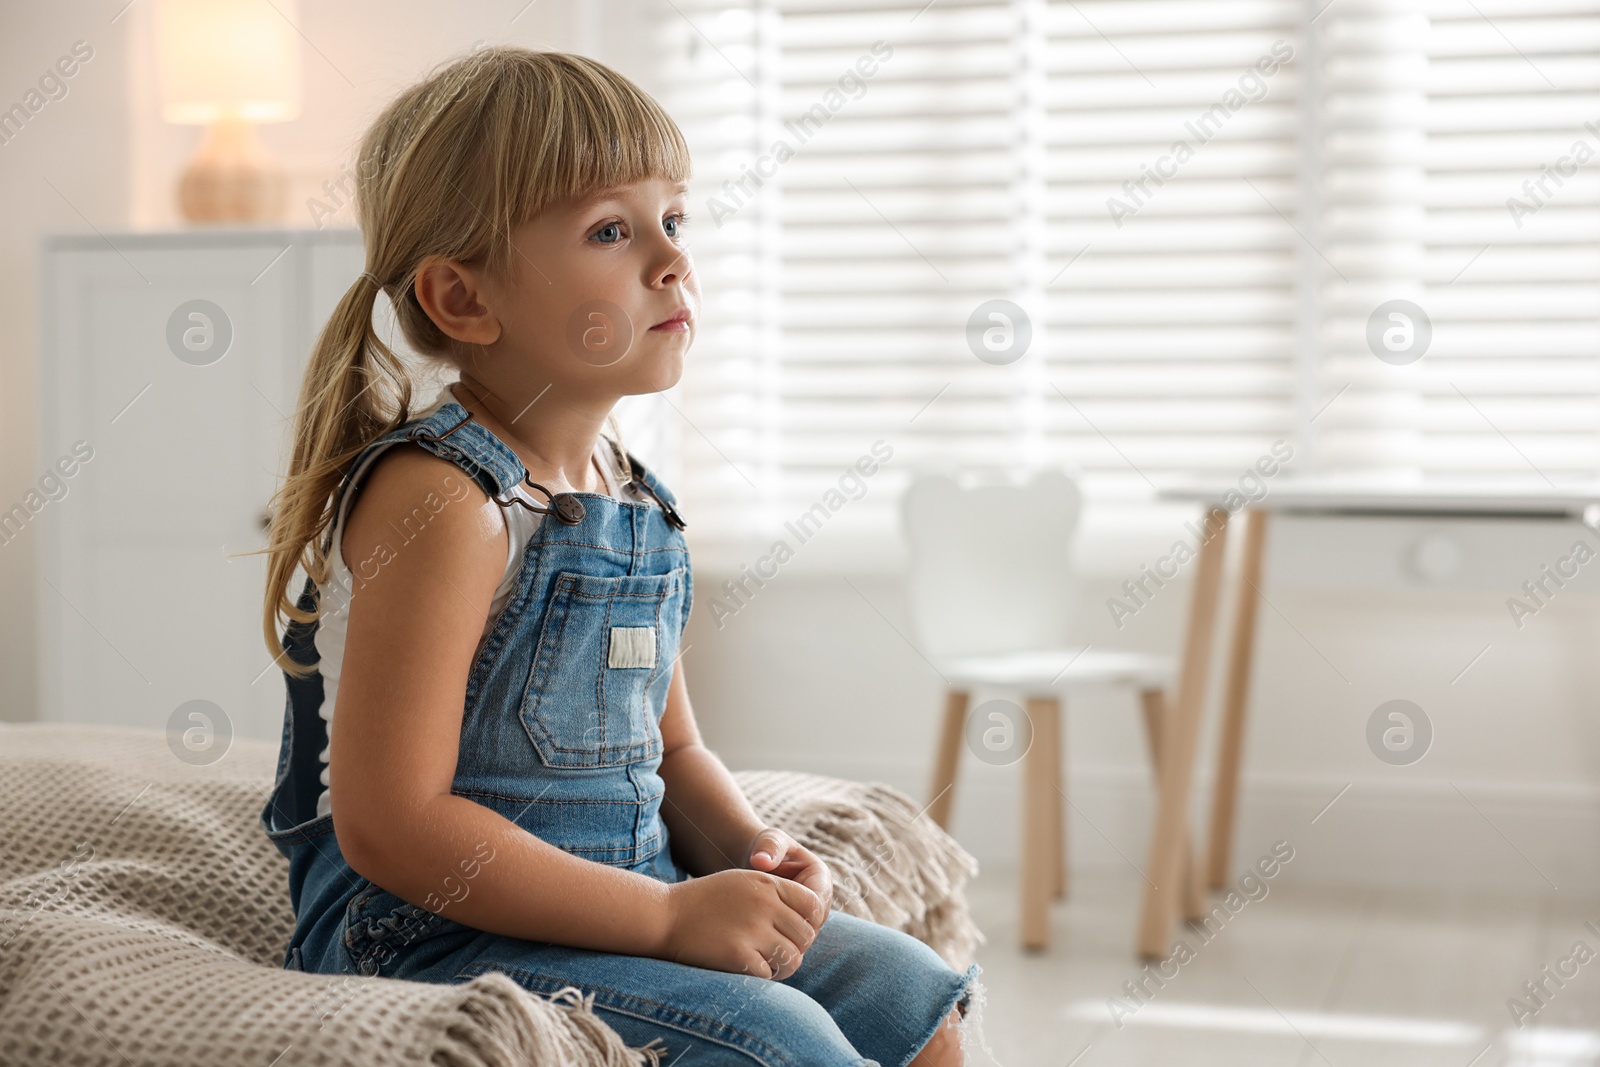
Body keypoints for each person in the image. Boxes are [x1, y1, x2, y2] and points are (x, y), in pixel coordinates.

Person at [255, 45, 980, 1066]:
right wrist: (666, 922)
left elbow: (673, 751)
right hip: (437, 934)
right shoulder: (445, 499)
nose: (672, 258)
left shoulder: (631, 494)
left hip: (624, 899)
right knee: (783, 1042)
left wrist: (744, 849)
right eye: (611, 229)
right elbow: (392, 822)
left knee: (906, 986)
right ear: (464, 299)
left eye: (672, 219)